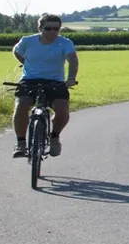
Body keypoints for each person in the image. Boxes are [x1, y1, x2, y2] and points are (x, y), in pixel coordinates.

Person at [10, 14, 79, 158]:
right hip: (30, 79)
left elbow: (72, 59)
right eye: (48, 28)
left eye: (56, 29)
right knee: (21, 105)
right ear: (40, 28)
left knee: (62, 109)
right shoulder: (28, 41)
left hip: (55, 81)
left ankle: (54, 137)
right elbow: (16, 50)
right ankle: (21, 143)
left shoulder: (65, 43)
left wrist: (71, 78)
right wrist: (25, 62)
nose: (53, 32)